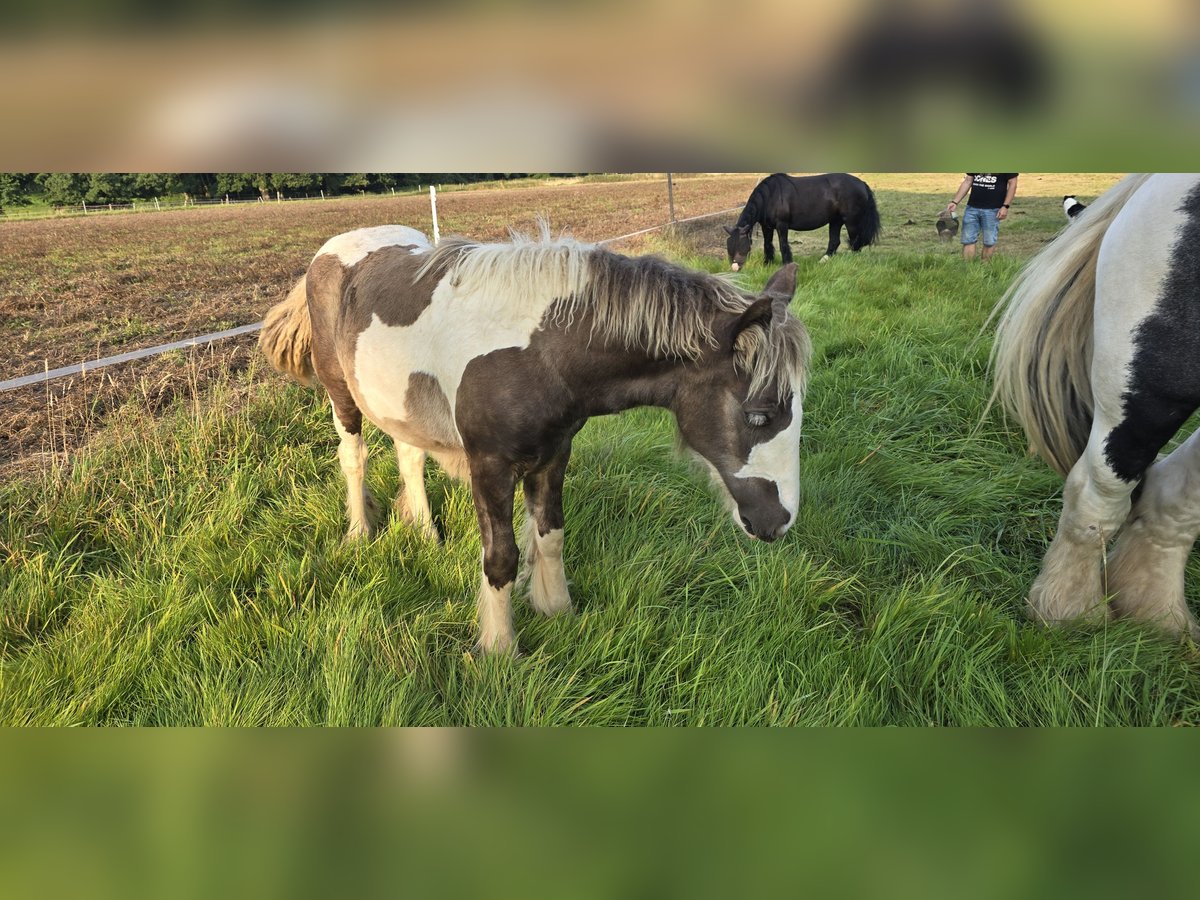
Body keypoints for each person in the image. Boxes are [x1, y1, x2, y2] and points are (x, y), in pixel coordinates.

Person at [946, 173, 1018, 261]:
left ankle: (984, 269)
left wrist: (1005, 206)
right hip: (972, 208)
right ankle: (968, 269)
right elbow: (968, 181)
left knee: (989, 241)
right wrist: (955, 202)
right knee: (968, 240)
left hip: (993, 209)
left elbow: (1013, 184)